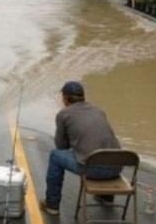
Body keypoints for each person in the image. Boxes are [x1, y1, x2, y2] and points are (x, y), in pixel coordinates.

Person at [40, 81, 122, 216]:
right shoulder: (99, 110)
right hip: (117, 167)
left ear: (65, 98)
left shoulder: (64, 114)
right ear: (83, 96)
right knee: (105, 150)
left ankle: (52, 205)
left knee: (55, 156)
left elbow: (61, 146)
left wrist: (74, 143)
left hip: (93, 169)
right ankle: (107, 197)